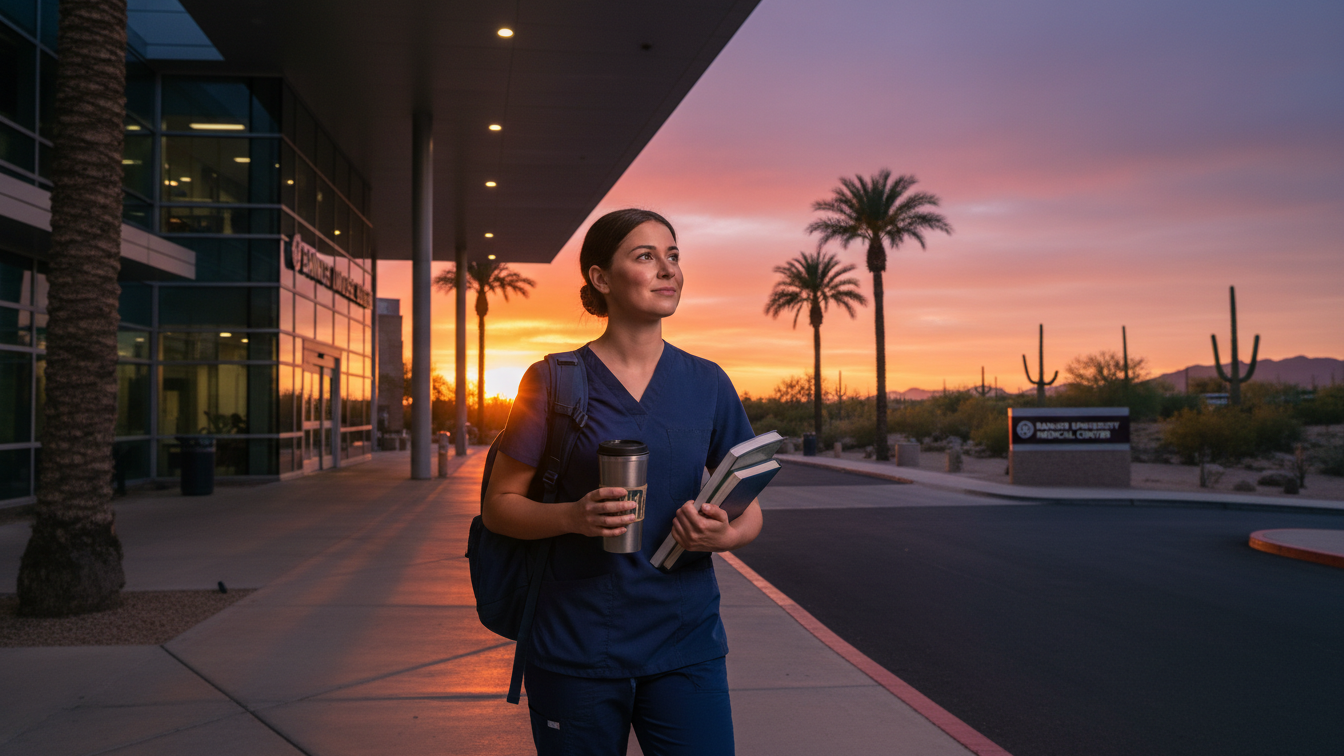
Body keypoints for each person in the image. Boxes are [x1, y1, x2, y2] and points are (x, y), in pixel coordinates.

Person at [484, 208, 762, 756]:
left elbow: (749, 507)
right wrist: (572, 516)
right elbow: (499, 505)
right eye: (645, 256)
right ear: (601, 278)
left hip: (686, 643)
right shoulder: (553, 381)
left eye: (673, 255)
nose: (668, 269)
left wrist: (725, 535)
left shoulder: (707, 383)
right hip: (577, 644)